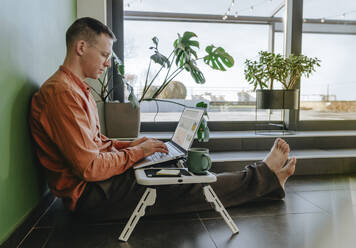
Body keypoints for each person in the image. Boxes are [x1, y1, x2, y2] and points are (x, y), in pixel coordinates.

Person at [29, 17, 296, 220]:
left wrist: (135, 146)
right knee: (185, 187)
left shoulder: (76, 89)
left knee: (178, 173)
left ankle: (270, 183)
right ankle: (265, 175)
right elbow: (89, 168)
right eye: (104, 54)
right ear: (81, 47)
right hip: (92, 196)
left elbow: (97, 145)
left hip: (100, 185)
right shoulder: (61, 94)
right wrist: (136, 153)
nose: (108, 63)